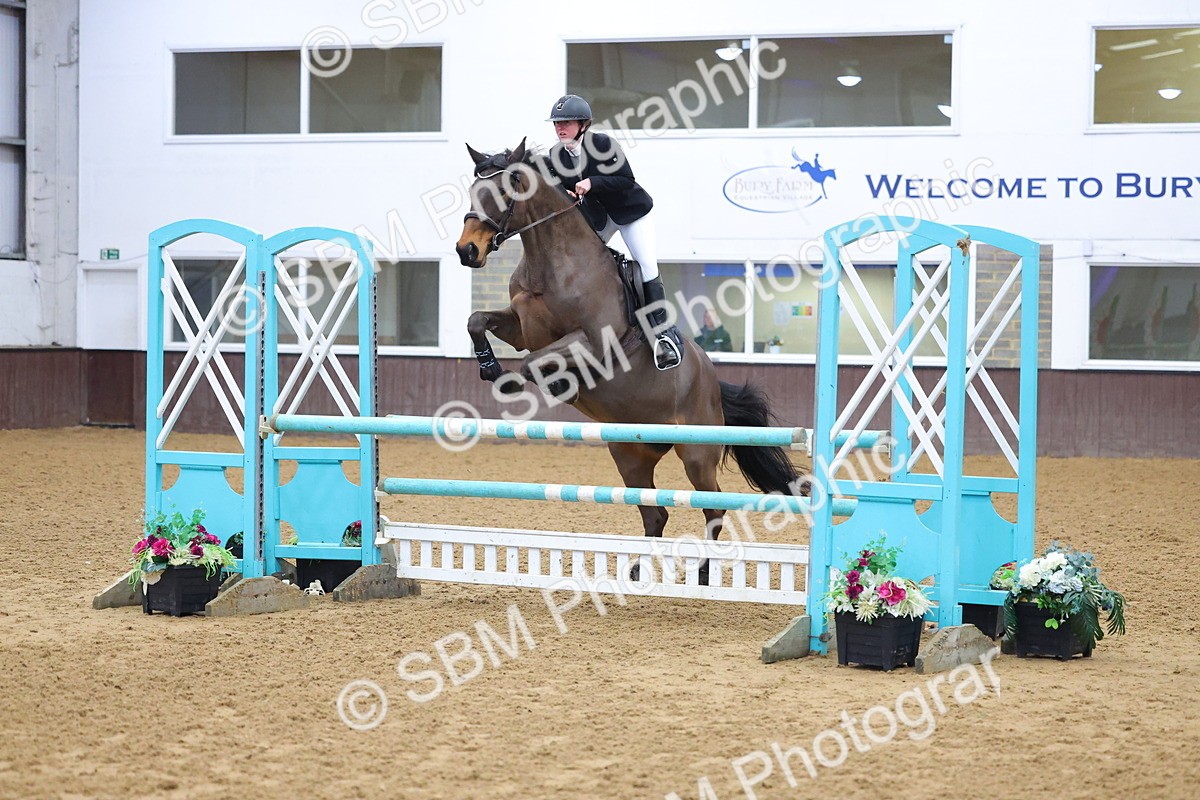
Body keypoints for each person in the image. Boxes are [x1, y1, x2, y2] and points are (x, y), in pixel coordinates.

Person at [544, 94, 681, 370]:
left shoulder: (603, 144)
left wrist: (592, 182)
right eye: (557, 123)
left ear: (583, 124)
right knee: (579, 263)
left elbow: (625, 179)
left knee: (646, 266)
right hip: (599, 218)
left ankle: (663, 336)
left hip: (630, 214)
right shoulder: (555, 155)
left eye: (566, 123)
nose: (560, 129)